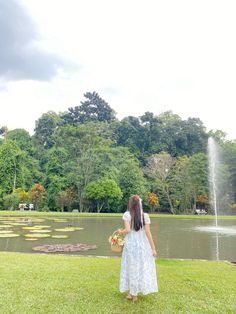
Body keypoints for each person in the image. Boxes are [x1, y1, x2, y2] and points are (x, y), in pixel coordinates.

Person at [119, 195, 158, 301]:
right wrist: (153, 248)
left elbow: (127, 230)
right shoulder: (145, 215)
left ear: (131, 204)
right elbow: (148, 232)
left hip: (131, 244)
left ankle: (132, 293)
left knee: (131, 266)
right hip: (142, 245)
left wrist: (120, 231)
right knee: (139, 267)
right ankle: (133, 293)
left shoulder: (127, 215)